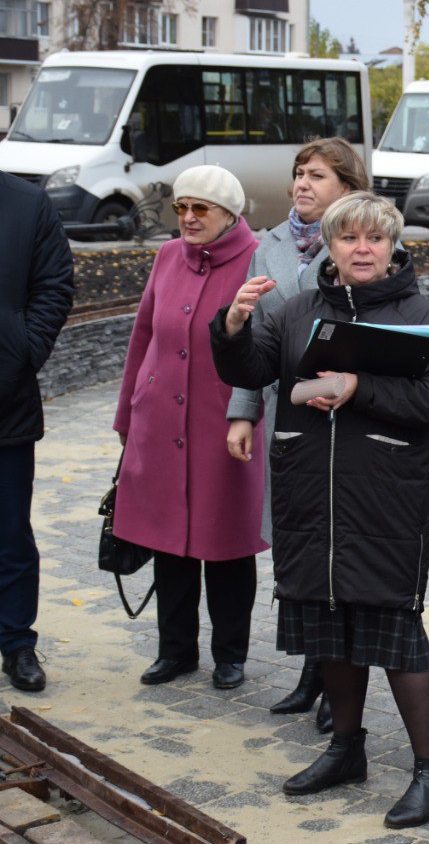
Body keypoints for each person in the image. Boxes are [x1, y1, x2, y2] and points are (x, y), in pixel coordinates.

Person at [210, 192, 429, 829]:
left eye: (375, 239)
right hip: (309, 498)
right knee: (331, 628)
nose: (363, 250)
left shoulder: (418, 312)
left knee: (395, 632)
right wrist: (233, 325)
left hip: (383, 500)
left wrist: (360, 388)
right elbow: (254, 367)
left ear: (393, 245)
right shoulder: (296, 310)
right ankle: (346, 750)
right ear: (330, 246)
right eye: (349, 239)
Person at [225, 137, 372, 731]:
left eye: (317, 175)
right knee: (296, 548)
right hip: (284, 418)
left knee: (338, 549)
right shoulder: (270, 246)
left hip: (344, 420)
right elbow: (257, 333)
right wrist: (242, 411)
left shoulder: (368, 241)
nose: (302, 185)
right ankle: (312, 671)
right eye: (298, 174)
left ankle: (337, 683)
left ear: (347, 186)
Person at [113, 166, 266, 690]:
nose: (188, 217)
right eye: (181, 207)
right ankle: (175, 650)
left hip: (223, 423)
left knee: (226, 540)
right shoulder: (165, 256)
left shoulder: (254, 258)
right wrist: (127, 414)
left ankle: (231, 653)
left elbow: (263, 346)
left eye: (200, 207)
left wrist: (247, 410)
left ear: (229, 212)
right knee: (168, 540)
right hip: (159, 419)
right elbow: (144, 335)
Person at [0, 171, 75, 694]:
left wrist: (23, 352)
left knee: (9, 532)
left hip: (5, 399)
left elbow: (54, 285)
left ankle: (16, 643)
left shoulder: (27, 204)